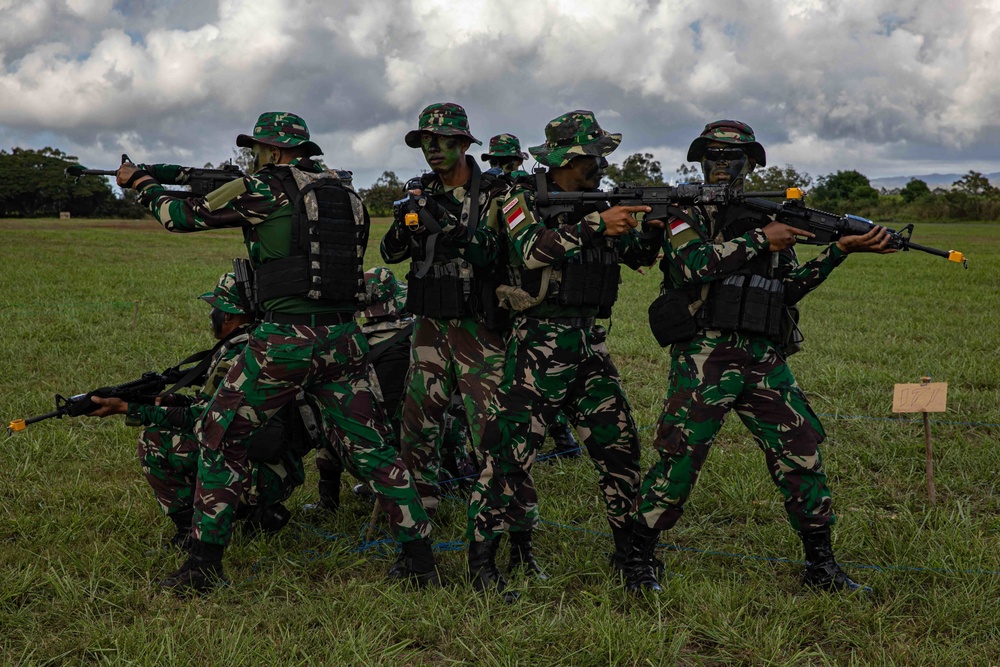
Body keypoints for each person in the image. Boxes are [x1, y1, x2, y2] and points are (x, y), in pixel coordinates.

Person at [116, 112, 439, 591]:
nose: (254, 158)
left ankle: (203, 566)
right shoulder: (344, 193)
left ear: (273, 151)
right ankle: (420, 562)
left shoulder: (262, 190)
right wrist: (171, 173)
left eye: (258, 150)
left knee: (220, 438)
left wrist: (140, 182)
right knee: (374, 451)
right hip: (344, 339)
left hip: (284, 342)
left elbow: (178, 216)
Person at [628, 119, 894, 593]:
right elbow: (693, 266)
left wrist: (839, 252)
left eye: (733, 156)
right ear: (700, 160)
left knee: (802, 454)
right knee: (680, 459)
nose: (721, 164)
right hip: (704, 356)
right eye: (711, 155)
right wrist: (760, 239)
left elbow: (787, 289)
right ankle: (637, 559)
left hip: (763, 356)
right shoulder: (680, 210)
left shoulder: (768, 218)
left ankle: (821, 566)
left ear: (751, 163)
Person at [465, 110, 663, 597]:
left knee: (620, 451)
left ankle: (631, 558)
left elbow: (638, 257)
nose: (601, 164)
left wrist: (653, 223)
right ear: (566, 159)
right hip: (538, 346)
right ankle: (483, 563)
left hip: (590, 346)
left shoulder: (604, 201)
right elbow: (531, 250)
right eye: (593, 156)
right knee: (508, 456)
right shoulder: (519, 199)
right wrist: (597, 224)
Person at [89, 273, 311, 550]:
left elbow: (202, 419)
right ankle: (256, 512)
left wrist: (127, 408)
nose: (212, 316)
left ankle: (191, 528)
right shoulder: (264, 343)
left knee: (155, 440)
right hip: (280, 469)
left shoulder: (236, 355)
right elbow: (205, 406)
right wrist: (154, 399)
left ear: (230, 316)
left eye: (215, 309)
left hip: (258, 475)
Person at [380, 103, 509, 519]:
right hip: (430, 324)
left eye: (442, 142)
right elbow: (390, 252)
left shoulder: (494, 192)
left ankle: (494, 512)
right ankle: (420, 507)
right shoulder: (420, 190)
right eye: (426, 143)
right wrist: (406, 223)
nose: (433, 150)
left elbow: (493, 254)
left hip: (477, 324)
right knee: (417, 423)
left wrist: (445, 224)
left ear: (462, 143)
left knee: (488, 424)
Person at [481, 133, 581, 460]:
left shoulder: (529, 192)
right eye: (497, 163)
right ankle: (558, 439)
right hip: (507, 287)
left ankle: (558, 439)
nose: (501, 168)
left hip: (525, 293)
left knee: (529, 380)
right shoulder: (505, 193)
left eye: (506, 162)